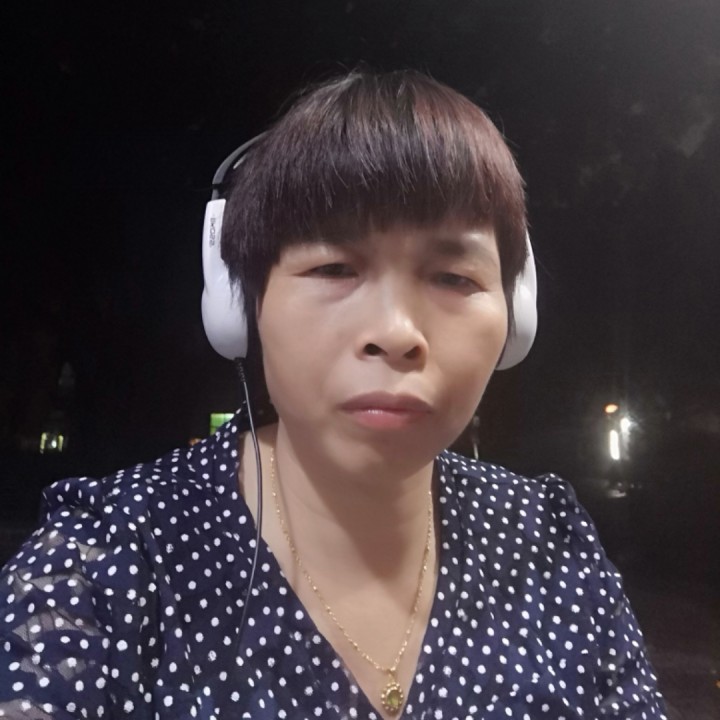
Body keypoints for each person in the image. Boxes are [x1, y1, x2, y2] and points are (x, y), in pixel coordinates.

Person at [0, 70, 666, 719]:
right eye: (334, 267)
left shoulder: (548, 543)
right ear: (242, 306)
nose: (396, 333)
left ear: (515, 320)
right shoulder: (103, 562)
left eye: (454, 277)